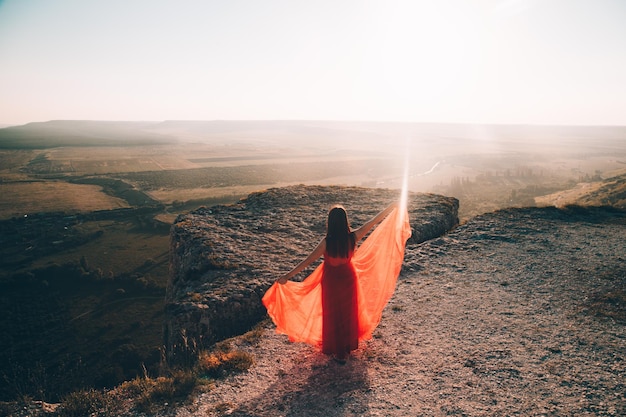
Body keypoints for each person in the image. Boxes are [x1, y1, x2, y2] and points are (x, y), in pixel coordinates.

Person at [262, 199, 411, 364]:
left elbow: (307, 261)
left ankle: (335, 348)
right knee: (348, 313)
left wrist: (287, 276)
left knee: (332, 314)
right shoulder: (353, 237)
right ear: (345, 221)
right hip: (349, 279)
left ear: (330, 223)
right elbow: (374, 221)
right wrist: (391, 207)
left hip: (331, 282)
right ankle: (346, 347)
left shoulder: (327, 243)